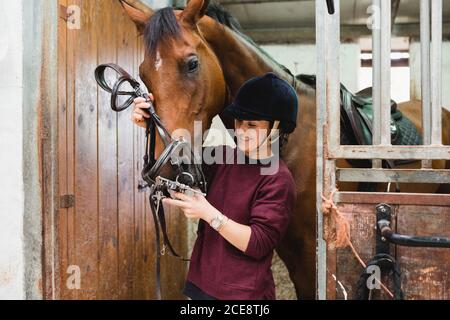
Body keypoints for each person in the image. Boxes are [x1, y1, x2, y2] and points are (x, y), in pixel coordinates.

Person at [132, 72, 298, 300]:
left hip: (243, 296)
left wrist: (209, 214)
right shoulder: (221, 156)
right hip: (200, 286)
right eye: (239, 122)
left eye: (252, 125)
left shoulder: (278, 178)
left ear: (277, 128)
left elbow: (258, 243)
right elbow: (177, 165)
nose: (241, 131)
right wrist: (150, 125)